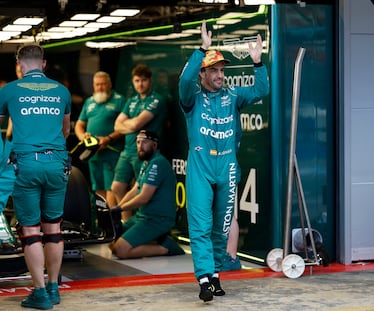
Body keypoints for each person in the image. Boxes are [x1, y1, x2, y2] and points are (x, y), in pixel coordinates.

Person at [178, 20, 269, 302]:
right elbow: (183, 81)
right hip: (201, 167)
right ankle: (204, 278)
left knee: (222, 225)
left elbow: (261, 91)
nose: (220, 75)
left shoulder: (233, 95)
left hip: (228, 166)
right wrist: (201, 49)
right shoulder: (191, 98)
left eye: (222, 70)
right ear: (202, 74)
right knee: (200, 224)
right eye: (214, 70)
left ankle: (216, 274)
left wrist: (258, 63)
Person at [0, 44, 71, 310]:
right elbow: (66, 130)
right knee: (54, 228)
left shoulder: (8, 91)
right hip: (57, 164)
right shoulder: (61, 91)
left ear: (19, 65)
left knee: (30, 231)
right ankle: (54, 289)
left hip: (25, 165)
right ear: (43, 64)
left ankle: (40, 294)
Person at [109, 130, 184, 259]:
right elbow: (134, 190)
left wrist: (121, 208)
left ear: (155, 145)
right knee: (112, 241)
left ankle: (166, 248)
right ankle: (156, 240)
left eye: (144, 142)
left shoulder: (158, 163)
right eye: (138, 142)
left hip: (157, 219)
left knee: (120, 250)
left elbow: (144, 197)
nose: (140, 146)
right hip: (142, 216)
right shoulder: (146, 163)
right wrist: (118, 206)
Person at [112, 64, 166, 221]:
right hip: (127, 151)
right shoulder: (131, 101)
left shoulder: (157, 100)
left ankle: (141, 223)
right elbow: (117, 125)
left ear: (150, 81)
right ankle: (125, 223)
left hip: (145, 153)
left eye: (143, 80)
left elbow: (136, 125)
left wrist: (128, 125)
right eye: (136, 81)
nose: (140, 84)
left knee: (142, 191)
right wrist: (131, 125)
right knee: (117, 187)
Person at [74, 71, 125, 208]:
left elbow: (124, 127)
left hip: (111, 153)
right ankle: (103, 221)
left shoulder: (119, 100)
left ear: (110, 85)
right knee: (98, 188)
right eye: (97, 85)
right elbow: (79, 124)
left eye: (103, 84)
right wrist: (82, 136)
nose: (100, 87)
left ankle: (112, 222)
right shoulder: (89, 102)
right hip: (93, 154)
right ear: (93, 86)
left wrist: (108, 138)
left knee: (111, 188)